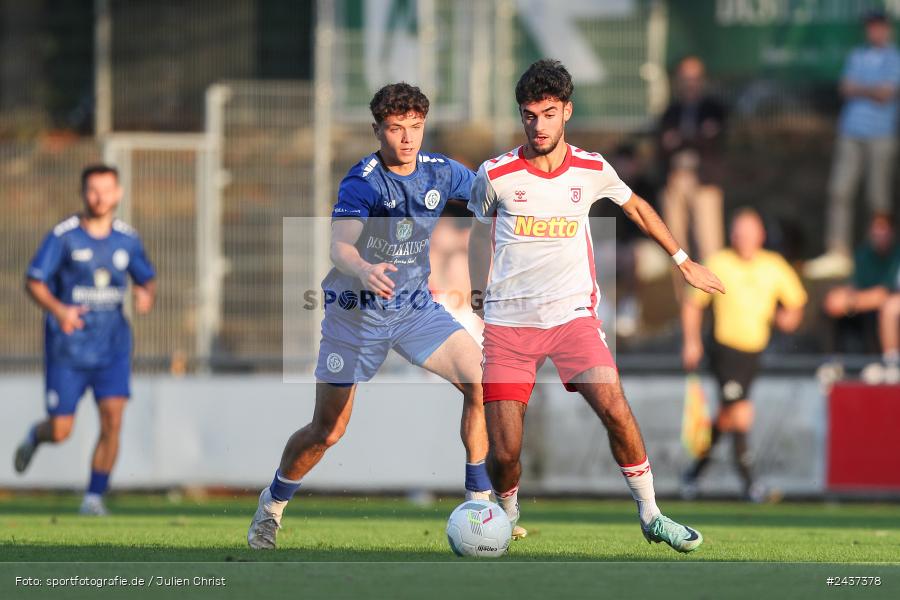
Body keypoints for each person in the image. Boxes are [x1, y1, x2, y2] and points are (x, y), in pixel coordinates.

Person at [468, 59, 724, 553]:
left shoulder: (591, 168)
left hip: (572, 322)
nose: (537, 125)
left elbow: (636, 207)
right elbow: (480, 232)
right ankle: (507, 512)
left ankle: (651, 513)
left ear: (566, 111)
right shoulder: (495, 173)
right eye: (529, 115)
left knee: (616, 409)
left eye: (547, 114)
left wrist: (682, 260)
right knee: (505, 453)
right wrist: (479, 291)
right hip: (509, 326)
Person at [247, 83, 494, 550]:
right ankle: (272, 506)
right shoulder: (362, 181)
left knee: (482, 381)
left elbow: (493, 189)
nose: (407, 138)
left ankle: (479, 503)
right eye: (396, 128)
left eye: (415, 127)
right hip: (355, 314)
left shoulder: (441, 172)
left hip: (414, 309)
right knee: (328, 430)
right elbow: (339, 243)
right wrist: (362, 267)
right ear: (377, 129)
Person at [13, 165, 156, 516]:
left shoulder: (127, 238)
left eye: (106, 190)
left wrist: (144, 294)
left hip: (112, 348)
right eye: (93, 190)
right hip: (69, 349)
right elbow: (34, 281)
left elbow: (145, 278)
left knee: (113, 420)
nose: (100, 197)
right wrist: (60, 310)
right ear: (83, 192)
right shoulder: (64, 236)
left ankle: (93, 497)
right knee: (61, 430)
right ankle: (36, 436)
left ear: (118, 193)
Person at [681, 208, 807, 502]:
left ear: (761, 236)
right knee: (741, 414)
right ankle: (751, 485)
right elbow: (692, 304)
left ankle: (694, 474)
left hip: (754, 353)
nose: (744, 239)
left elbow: (796, 302)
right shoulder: (719, 262)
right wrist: (691, 342)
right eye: (739, 233)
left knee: (727, 417)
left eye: (749, 233)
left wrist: (789, 318)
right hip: (725, 350)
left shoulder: (773, 265)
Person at [806, 10, 900, 279]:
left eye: (879, 26)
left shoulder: (895, 58)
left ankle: (878, 253)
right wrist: (869, 89)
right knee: (839, 190)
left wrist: (861, 89)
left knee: (878, 198)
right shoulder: (857, 55)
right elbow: (845, 88)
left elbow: (886, 93)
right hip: (851, 133)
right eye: (870, 27)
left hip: (881, 136)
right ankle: (838, 252)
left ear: (887, 28)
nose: (874, 31)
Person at [657, 56, 727, 285]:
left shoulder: (713, 109)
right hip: (675, 179)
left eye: (695, 78)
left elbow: (713, 142)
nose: (690, 83)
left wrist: (682, 139)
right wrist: (696, 137)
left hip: (704, 181)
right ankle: (684, 313)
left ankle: (713, 311)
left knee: (710, 246)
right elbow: (663, 144)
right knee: (676, 249)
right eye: (685, 78)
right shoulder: (671, 112)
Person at [822, 214, 900, 355]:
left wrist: (851, 303)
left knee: (889, 308)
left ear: (892, 232)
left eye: (884, 229)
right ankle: (834, 361)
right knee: (832, 301)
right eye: (876, 229)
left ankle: (891, 363)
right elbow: (856, 285)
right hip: (863, 307)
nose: (880, 234)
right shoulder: (862, 254)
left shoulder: (897, 255)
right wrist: (843, 297)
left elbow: (884, 294)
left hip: (884, 307)